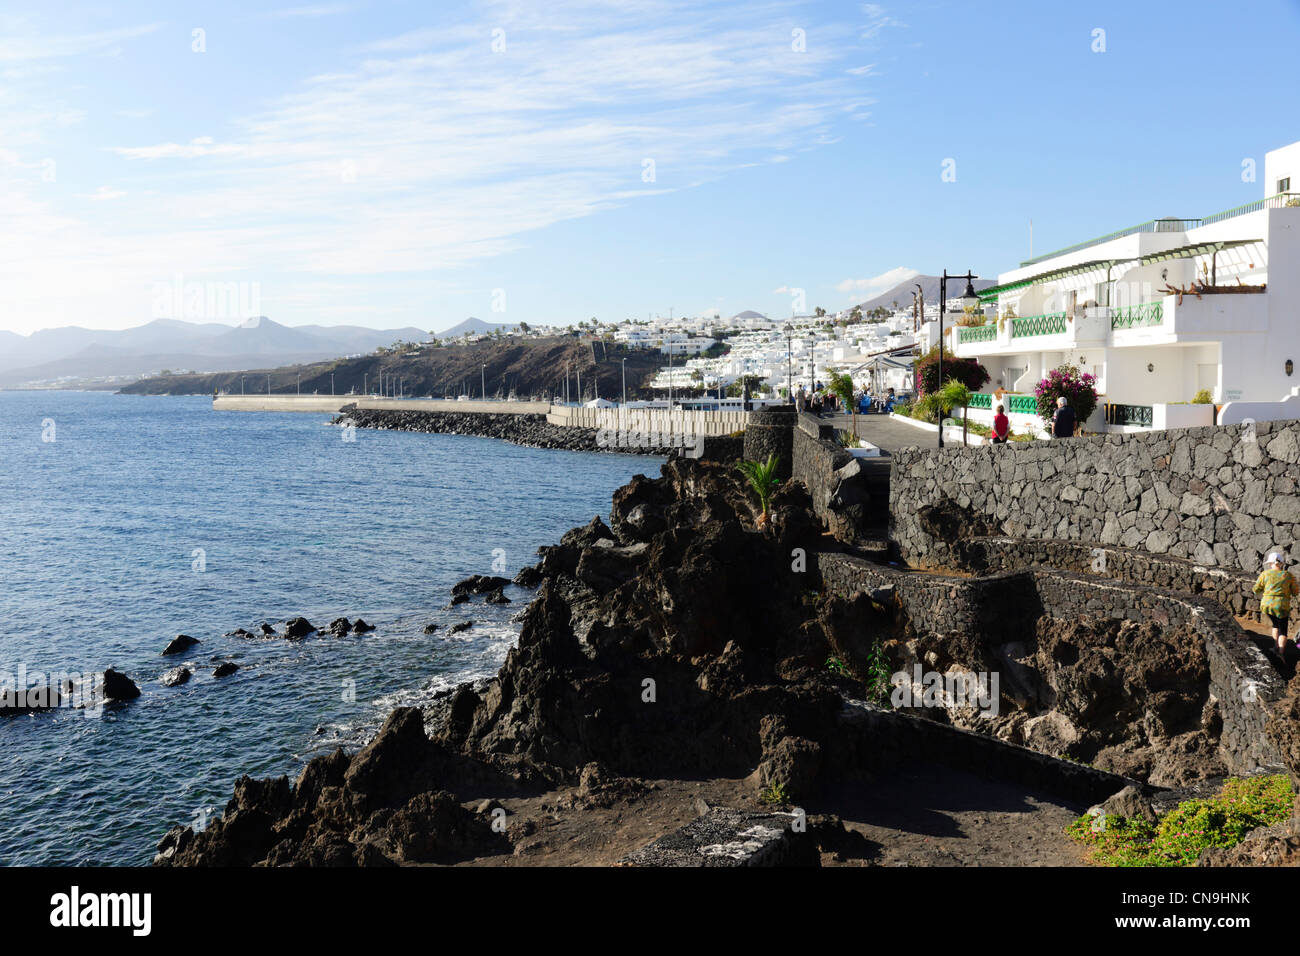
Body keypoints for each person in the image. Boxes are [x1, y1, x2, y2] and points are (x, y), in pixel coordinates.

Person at [1254, 552, 1299, 655]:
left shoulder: (1265, 574)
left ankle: (1275, 647)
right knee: (1283, 630)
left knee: (1275, 625)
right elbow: (1295, 591)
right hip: (1281, 606)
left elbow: (1256, 589)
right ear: (1281, 563)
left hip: (1266, 605)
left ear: (1271, 563)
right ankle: (1281, 653)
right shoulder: (1288, 575)